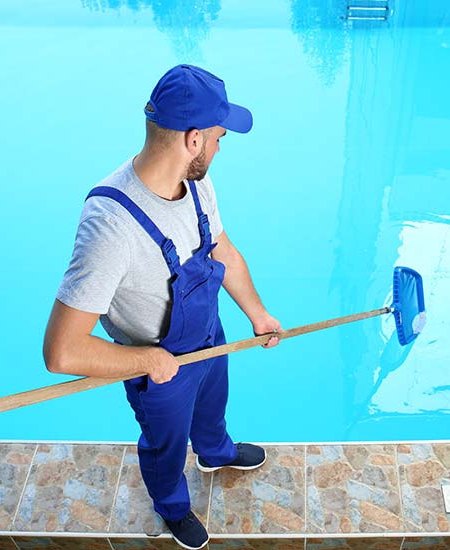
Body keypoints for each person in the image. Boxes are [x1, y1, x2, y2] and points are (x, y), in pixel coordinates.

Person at [42, 64, 282, 550]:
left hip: (208, 337)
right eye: (218, 136)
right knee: (166, 447)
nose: (221, 145)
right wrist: (147, 361)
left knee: (213, 407)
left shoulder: (195, 184)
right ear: (194, 140)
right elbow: (62, 352)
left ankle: (215, 453)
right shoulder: (109, 226)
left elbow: (224, 253)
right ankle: (172, 507)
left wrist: (257, 313)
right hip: (157, 366)